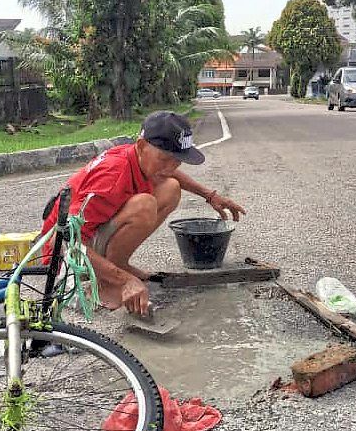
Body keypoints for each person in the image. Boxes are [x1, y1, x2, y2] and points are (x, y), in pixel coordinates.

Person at [40, 110, 246, 316]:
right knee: (144, 205)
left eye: (176, 160)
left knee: (171, 188)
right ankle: (106, 282)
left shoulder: (138, 157)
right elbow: (68, 243)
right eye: (164, 159)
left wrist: (210, 195)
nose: (170, 167)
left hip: (85, 239)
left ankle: (117, 266)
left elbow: (169, 170)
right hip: (64, 255)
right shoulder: (112, 176)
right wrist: (125, 280)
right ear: (141, 146)